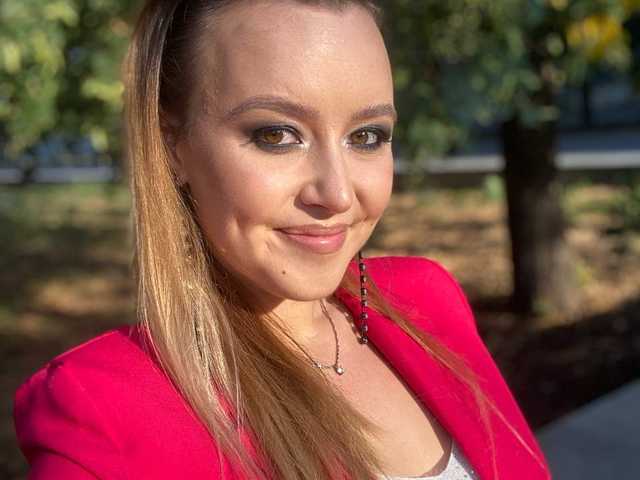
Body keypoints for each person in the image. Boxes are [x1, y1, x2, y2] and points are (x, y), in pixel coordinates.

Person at [13, 1, 551, 479]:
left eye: (367, 136)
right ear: (173, 145)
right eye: (277, 135)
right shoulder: (108, 416)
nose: (336, 194)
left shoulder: (427, 301)